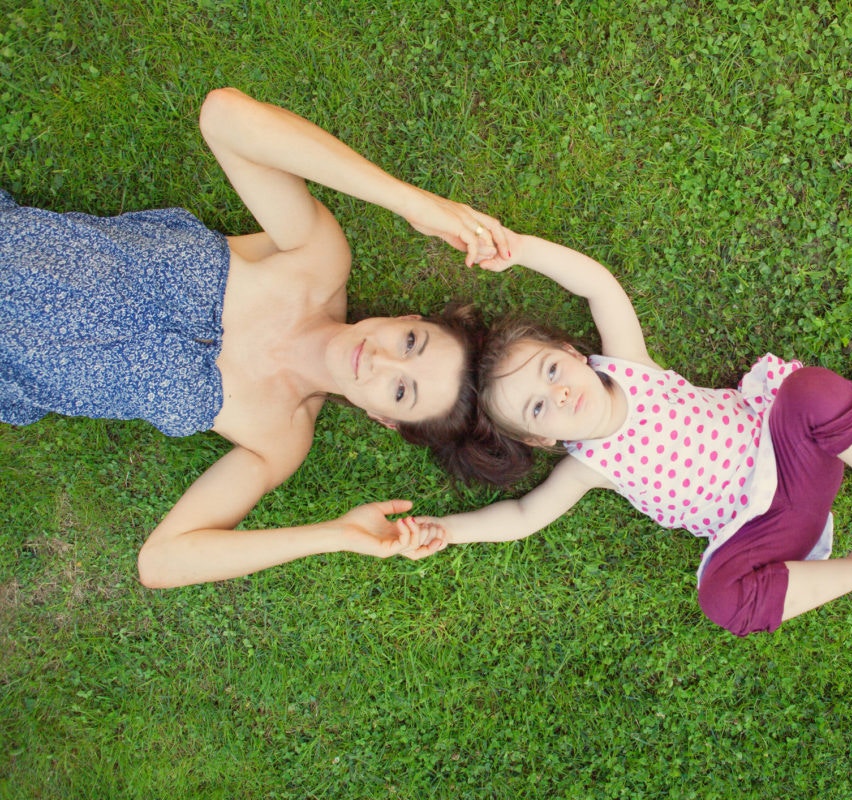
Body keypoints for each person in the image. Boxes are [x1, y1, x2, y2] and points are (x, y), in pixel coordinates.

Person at [1, 87, 511, 589]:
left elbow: (162, 561)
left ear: (384, 419)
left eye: (401, 391)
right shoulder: (318, 261)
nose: (379, 360)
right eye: (410, 344)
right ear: (407, 316)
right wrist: (411, 203)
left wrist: (332, 535)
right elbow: (226, 118)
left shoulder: (281, 436)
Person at [406, 231, 852, 637]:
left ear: (571, 352)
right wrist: (444, 530)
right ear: (539, 441)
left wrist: (520, 249)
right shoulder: (588, 468)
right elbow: (520, 518)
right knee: (721, 599)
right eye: (538, 407)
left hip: (791, 454)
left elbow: (598, 286)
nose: (557, 393)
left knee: (810, 389)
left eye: (551, 371)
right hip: (765, 532)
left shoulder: (631, 366)